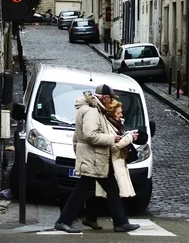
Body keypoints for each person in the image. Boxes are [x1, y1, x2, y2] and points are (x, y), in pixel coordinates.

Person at [54, 84, 140, 234]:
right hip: (92, 158)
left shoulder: (94, 110)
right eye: (111, 98)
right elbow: (89, 135)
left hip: (96, 158)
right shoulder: (93, 111)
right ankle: (63, 221)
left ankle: (121, 222)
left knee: (111, 190)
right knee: (81, 191)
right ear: (105, 98)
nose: (111, 102)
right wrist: (112, 138)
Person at [83, 100, 138, 229]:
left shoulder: (117, 124)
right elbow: (113, 146)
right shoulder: (107, 125)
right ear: (112, 113)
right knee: (115, 193)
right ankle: (121, 222)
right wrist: (129, 138)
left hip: (115, 163)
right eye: (118, 113)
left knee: (107, 194)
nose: (121, 115)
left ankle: (91, 218)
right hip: (111, 163)